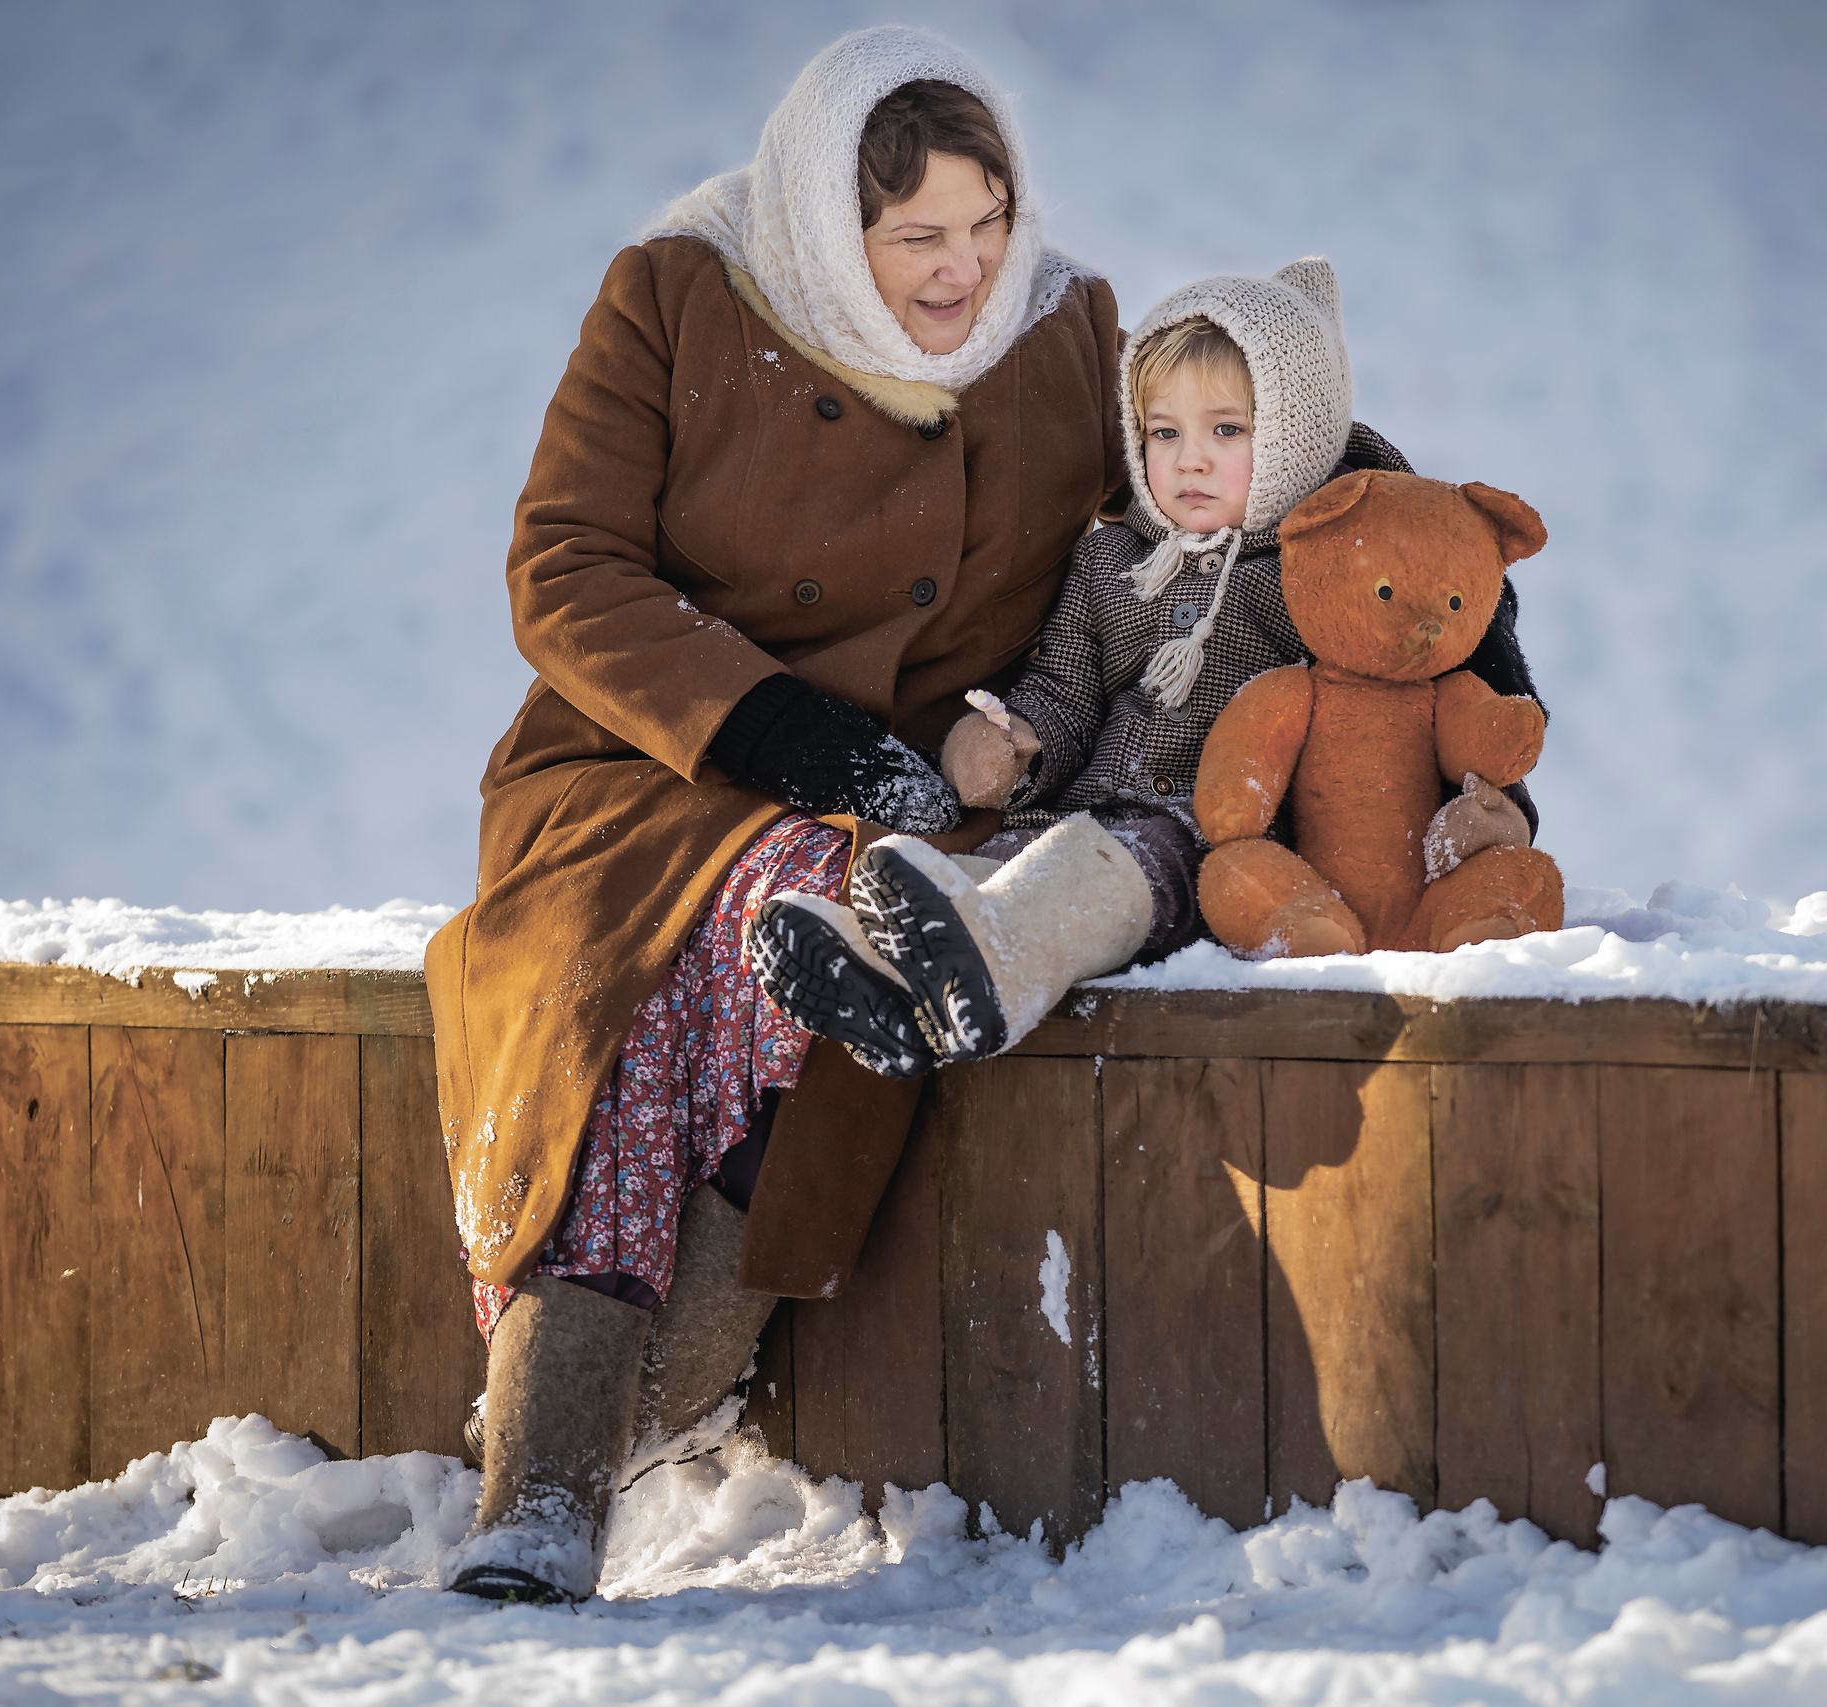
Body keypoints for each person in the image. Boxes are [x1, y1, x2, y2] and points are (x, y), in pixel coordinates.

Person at [424, 27, 1127, 1603]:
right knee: (649, 996)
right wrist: (788, 733)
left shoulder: (1067, 324)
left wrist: (1352, 507)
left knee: (828, 925)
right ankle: (543, 1491)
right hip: (647, 774)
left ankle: (619, 1419)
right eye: (917, 236)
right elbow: (567, 566)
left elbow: (1179, 499)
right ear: (826, 219)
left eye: (989, 223)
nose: (966, 270)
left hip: (913, 799)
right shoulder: (681, 292)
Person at [749, 261, 1545, 1072]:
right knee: (1003, 866)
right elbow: (1065, 691)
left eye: (1226, 431)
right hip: (1080, 816)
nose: (1189, 460)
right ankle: (880, 978)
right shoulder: (1111, 563)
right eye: (1164, 433)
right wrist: (1018, 741)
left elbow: (1421, 682)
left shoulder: (1320, 575)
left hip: (1210, 845)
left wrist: (1492, 802)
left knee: (1094, 872)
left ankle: (991, 967)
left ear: (1297, 438)